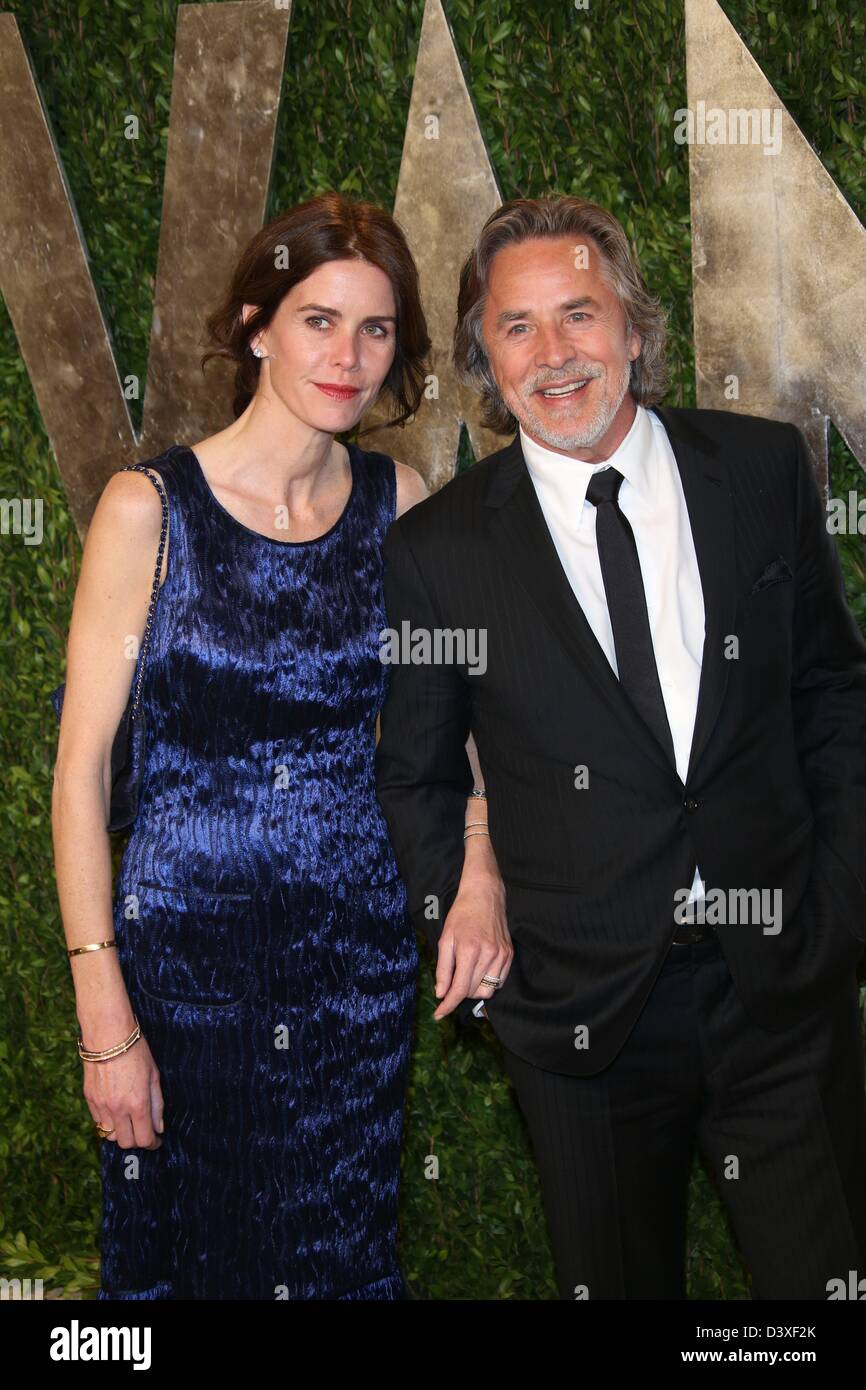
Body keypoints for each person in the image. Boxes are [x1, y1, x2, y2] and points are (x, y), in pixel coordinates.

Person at [375, 194, 866, 1299]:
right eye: (516, 327)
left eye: (578, 314)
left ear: (632, 331)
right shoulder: (437, 551)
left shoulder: (758, 471)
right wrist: (467, 912)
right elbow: (414, 769)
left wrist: (836, 911)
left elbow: (831, 693)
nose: (552, 355)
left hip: (778, 988)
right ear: (483, 359)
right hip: (578, 1018)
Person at [51, 191, 494, 1300]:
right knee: (184, 1258)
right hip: (180, 971)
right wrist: (105, 1015)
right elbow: (77, 774)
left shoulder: (400, 501)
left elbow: (462, 733)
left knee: (336, 1255)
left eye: (376, 328)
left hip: (353, 968)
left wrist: (480, 866)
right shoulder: (148, 510)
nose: (348, 356)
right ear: (256, 325)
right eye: (318, 319)